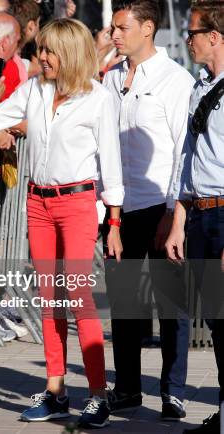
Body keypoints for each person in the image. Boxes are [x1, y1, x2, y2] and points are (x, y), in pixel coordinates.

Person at [0, 18, 124, 428]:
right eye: (41, 50)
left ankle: (99, 395)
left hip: (78, 201)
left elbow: (112, 163)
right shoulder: (34, 89)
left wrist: (115, 219)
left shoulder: (99, 99)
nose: (41, 58)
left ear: (69, 53)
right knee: (50, 298)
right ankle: (56, 390)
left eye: (49, 51)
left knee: (79, 298)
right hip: (39, 203)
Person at [101, 0, 195, 420]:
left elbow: (183, 150)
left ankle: (172, 391)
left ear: (148, 29)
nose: (115, 35)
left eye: (121, 27)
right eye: (113, 27)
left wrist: (173, 210)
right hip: (121, 207)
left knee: (170, 305)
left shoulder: (176, 80)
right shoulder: (112, 77)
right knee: (124, 304)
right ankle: (127, 388)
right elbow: (102, 144)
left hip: (162, 203)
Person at [165, 2, 224, 433]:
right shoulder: (201, 87)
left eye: (192, 33)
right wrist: (179, 220)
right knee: (218, 323)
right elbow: (190, 159)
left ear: (215, 37)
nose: (188, 40)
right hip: (200, 214)